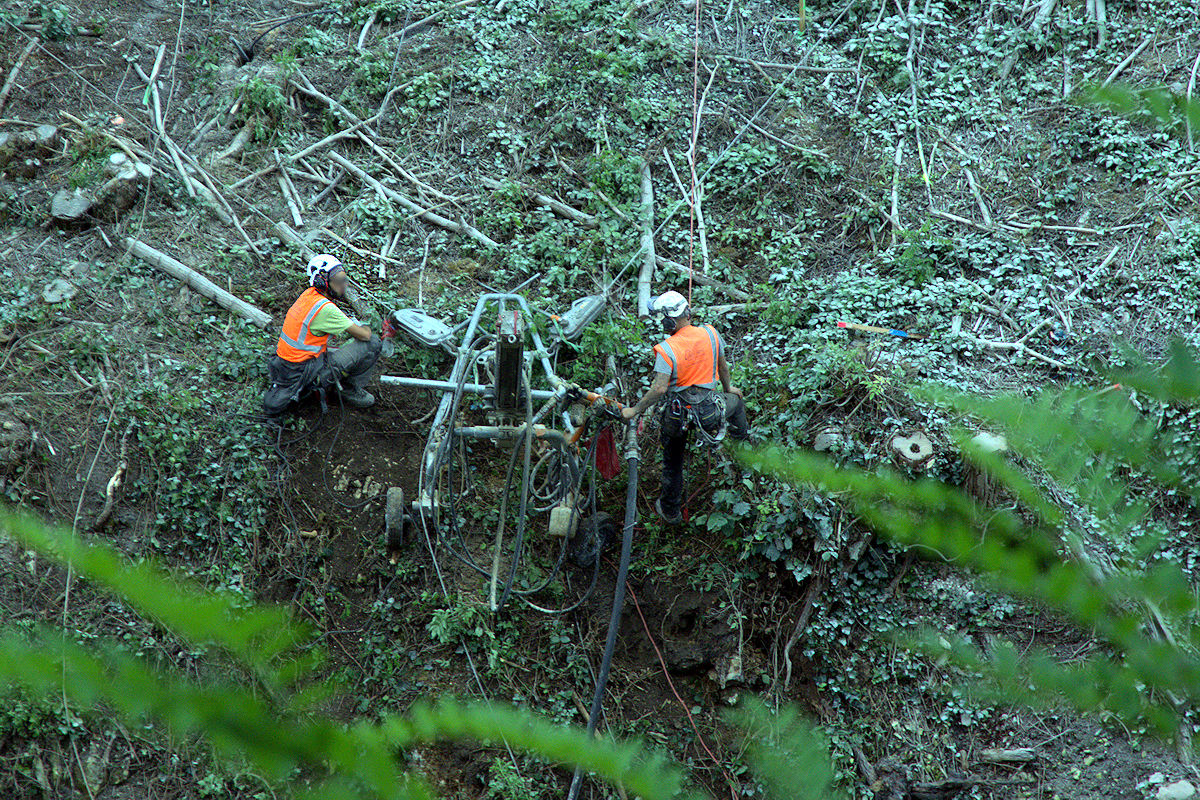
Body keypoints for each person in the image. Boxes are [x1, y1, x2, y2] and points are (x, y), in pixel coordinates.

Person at [621, 290, 749, 524]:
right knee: (737, 404)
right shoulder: (711, 333)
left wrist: (634, 410)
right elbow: (723, 366)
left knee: (672, 462)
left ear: (668, 321)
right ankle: (744, 452)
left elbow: (659, 389)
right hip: (711, 413)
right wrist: (729, 388)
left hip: (677, 418)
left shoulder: (666, 349)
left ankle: (671, 511)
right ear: (687, 312)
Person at [263, 254, 382, 416]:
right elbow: (364, 336)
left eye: (344, 280)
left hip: (287, 368)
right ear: (322, 281)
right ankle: (346, 389)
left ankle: (329, 382)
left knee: (338, 346)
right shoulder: (325, 309)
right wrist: (367, 324)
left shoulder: (308, 296)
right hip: (304, 372)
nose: (344, 285)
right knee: (373, 343)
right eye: (339, 281)